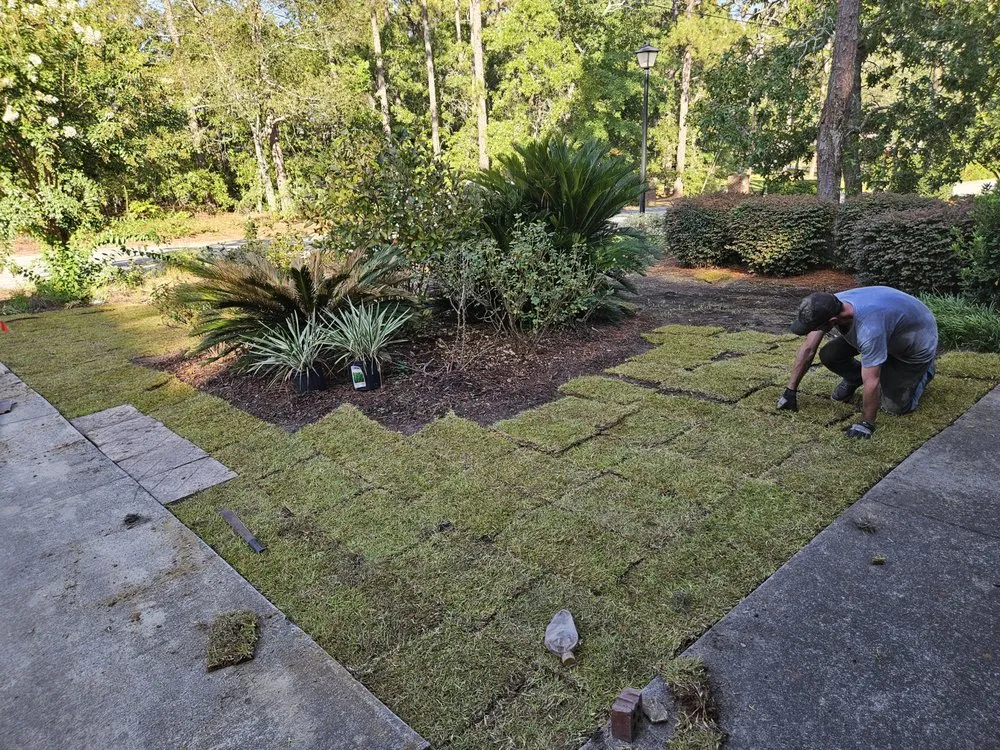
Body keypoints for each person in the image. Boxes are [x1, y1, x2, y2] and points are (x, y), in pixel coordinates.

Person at [776, 286, 938, 439]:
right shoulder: (830, 304)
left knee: (893, 408)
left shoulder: (870, 330)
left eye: (814, 327)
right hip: (889, 328)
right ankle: (855, 377)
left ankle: (925, 372)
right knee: (830, 355)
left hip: (914, 346)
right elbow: (808, 349)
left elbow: (872, 381)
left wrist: (866, 423)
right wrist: (790, 391)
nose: (811, 331)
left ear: (831, 321)